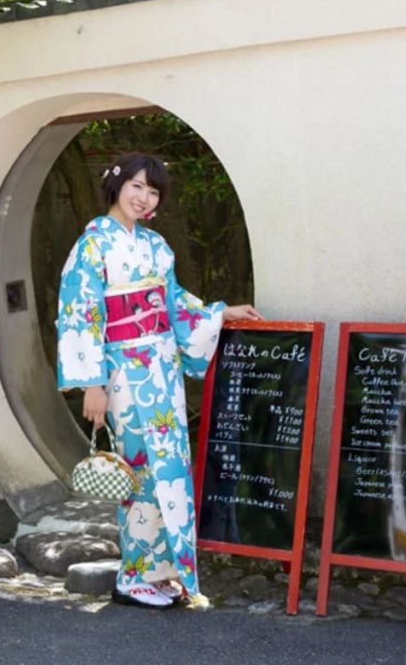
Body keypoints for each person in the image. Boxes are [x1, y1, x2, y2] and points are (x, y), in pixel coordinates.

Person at [56, 152, 262, 609]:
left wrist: (219, 312)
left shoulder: (156, 247)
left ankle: (167, 573)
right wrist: (93, 382)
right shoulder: (93, 244)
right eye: (137, 185)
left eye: (153, 191)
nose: (144, 197)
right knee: (141, 474)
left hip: (162, 368)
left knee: (170, 472)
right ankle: (134, 576)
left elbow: (172, 301)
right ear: (117, 184)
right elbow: (81, 313)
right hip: (123, 373)